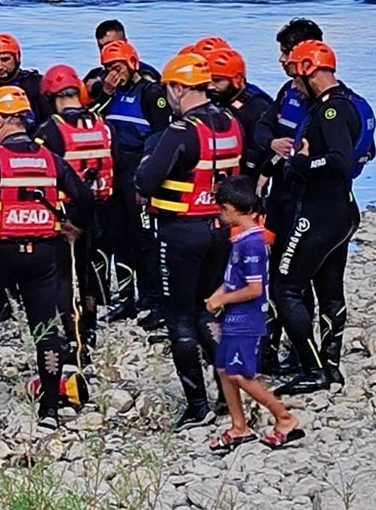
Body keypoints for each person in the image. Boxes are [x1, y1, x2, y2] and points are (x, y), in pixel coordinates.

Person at [0, 86, 92, 429]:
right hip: (42, 253)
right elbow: (84, 196)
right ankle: (51, 411)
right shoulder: (50, 159)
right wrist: (73, 225)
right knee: (46, 330)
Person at [135, 52, 242, 430]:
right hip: (220, 229)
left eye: (170, 90)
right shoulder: (231, 122)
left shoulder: (181, 132)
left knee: (180, 319)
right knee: (207, 311)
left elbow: (145, 181)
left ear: (180, 88)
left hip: (181, 232)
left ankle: (197, 404)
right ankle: (233, 389)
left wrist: (146, 165)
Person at [274, 41, 375, 396]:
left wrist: (300, 163)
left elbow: (338, 160)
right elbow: (368, 151)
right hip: (342, 208)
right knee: (329, 290)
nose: (292, 81)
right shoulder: (353, 103)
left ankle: (314, 368)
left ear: (307, 69)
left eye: (294, 72)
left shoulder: (330, 111)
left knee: (284, 288)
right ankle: (330, 365)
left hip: (319, 212)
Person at [204, 176, 304, 453]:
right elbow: (234, 277)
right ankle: (239, 426)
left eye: (221, 209)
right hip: (233, 314)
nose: (220, 214)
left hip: (247, 317)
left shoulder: (253, 244)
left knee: (240, 373)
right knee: (224, 368)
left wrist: (223, 297)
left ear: (231, 208)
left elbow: (254, 288)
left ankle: (284, 418)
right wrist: (218, 294)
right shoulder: (242, 238)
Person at [253, 18, 321, 376]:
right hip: (279, 195)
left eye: (284, 52)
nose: (280, 59)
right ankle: (272, 348)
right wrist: (272, 145)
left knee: (295, 278)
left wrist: (298, 156)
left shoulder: (325, 99)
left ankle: (305, 355)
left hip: (307, 200)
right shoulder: (287, 91)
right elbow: (263, 127)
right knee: (275, 271)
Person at [33, 65, 109, 369]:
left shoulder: (49, 131)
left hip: (64, 215)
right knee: (89, 276)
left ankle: (72, 341)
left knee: (65, 281)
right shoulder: (101, 123)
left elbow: (39, 175)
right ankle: (89, 330)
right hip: (97, 209)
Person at [94, 40, 171, 325]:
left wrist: (148, 176)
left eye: (117, 67)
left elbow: (163, 135)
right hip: (113, 172)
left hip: (138, 171)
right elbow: (94, 120)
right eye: (108, 69)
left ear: (132, 63)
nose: (114, 74)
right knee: (118, 237)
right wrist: (106, 92)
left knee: (145, 239)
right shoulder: (109, 93)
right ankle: (126, 298)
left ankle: (154, 298)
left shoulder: (151, 93)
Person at [202, 46, 273, 175]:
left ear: (237, 80)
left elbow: (260, 153)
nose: (210, 86)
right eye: (208, 80)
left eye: (217, 80)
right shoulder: (218, 97)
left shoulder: (256, 107)